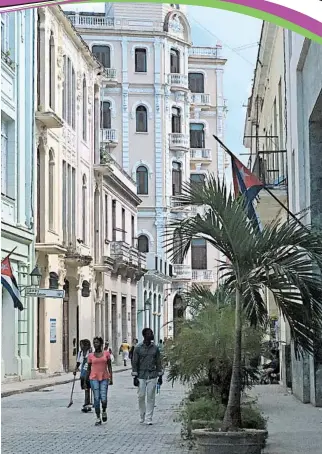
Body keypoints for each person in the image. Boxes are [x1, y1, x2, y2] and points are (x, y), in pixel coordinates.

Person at [132, 328, 163, 425]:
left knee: (151, 396)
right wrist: (135, 376)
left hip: (152, 375)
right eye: (149, 333)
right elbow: (134, 362)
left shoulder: (155, 348)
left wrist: (160, 376)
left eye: (152, 333)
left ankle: (149, 417)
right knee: (141, 396)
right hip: (141, 375)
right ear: (145, 335)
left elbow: (158, 362)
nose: (151, 335)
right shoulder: (138, 348)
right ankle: (142, 415)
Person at [86, 336, 113, 426]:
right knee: (96, 398)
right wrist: (86, 380)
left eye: (97, 342)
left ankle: (104, 410)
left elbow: (109, 366)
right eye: (94, 342)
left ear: (101, 344)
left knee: (104, 398)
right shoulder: (90, 356)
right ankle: (98, 417)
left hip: (104, 377)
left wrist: (111, 377)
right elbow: (88, 369)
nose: (95, 344)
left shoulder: (106, 354)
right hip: (93, 378)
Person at [74, 339, 92, 413]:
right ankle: (87, 402)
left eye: (81, 345)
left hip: (89, 371)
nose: (80, 346)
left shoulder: (90, 353)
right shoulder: (80, 353)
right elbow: (78, 362)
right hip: (83, 372)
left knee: (87, 387)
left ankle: (87, 403)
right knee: (85, 387)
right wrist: (75, 370)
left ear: (86, 345)